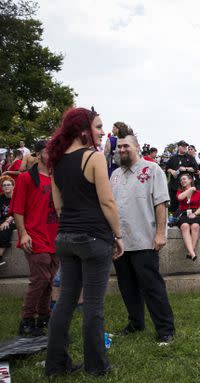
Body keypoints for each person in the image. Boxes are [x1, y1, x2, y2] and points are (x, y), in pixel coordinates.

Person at [44, 107, 124, 377]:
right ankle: (96, 367)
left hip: (65, 238)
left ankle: (55, 365)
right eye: (98, 127)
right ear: (83, 130)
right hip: (93, 239)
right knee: (93, 305)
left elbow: (58, 206)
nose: (103, 132)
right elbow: (107, 201)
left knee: (65, 301)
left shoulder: (56, 161)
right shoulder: (94, 158)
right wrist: (118, 235)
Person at [110, 128, 175, 345]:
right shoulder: (115, 175)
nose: (122, 150)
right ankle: (135, 323)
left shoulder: (152, 169)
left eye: (126, 146)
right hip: (120, 242)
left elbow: (160, 203)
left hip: (145, 240)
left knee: (152, 287)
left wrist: (159, 234)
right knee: (127, 286)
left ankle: (165, 329)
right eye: (119, 147)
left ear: (137, 147)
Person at [9, 140, 59, 337]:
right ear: (38, 155)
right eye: (49, 151)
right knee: (41, 278)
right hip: (35, 235)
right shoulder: (26, 179)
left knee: (49, 280)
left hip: (55, 237)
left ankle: (43, 318)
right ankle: (26, 319)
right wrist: (23, 234)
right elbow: (17, 209)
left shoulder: (57, 177)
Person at [175, 173, 200, 260]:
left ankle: (190, 252)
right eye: (181, 180)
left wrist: (195, 214)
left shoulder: (198, 193)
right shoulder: (180, 192)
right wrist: (190, 189)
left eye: (184, 179)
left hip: (195, 213)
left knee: (195, 226)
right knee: (185, 226)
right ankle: (192, 253)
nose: (182, 181)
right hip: (183, 213)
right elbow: (180, 198)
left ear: (190, 180)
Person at [166, 140, 195, 213]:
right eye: (183, 146)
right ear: (179, 147)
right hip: (174, 185)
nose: (185, 147)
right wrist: (172, 171)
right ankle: (174, 218)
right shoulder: (173, 158)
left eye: (186, 146)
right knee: (174, 204)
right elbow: (167, 168)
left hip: (186, 186)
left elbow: (195, 169)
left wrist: (185, 168)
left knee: (186, 204)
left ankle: (186, 217)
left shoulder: (190, 157)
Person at [0, 175, 16, 267]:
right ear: (1, 187)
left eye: (9, 184)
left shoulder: (17, 196)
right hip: (3, 219)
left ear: (13, 186)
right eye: (4, 185)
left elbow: (18, 211)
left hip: (16, 219)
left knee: (5, 229)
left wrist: (7, 221)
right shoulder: (1, 198)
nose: (6, 186)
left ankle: (0, 256)